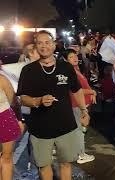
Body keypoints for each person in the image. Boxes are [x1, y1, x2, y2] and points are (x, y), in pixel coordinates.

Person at [17, 30, 90, 180]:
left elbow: (76, 90)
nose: (44, 46)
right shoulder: (28, 70)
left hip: (66, 126)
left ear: (54, 44)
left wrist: (84, 110)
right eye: (40, 43)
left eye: (47, 42)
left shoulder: (66, 67)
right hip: (40, 129)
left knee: (66, 164)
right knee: (44, 167)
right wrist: (38, 101)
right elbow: (23, 98)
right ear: (35, 46)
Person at [63, 49, 96, 164]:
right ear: (66, 60)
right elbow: (78, 90)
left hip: (79, 103)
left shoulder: (75, 70)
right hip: (76, 104)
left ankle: (77, 152)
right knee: (79, 130)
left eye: (75, 56)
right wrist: (92, 92)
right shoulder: (70, 71)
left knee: (79, 129)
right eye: (71, 57)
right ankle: (80, 154)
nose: (75, 58)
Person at [0, 74, 22, 180]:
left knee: (6, 157)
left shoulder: (2, 79)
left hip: (4, 120)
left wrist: (20, 119)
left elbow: (13, 101)